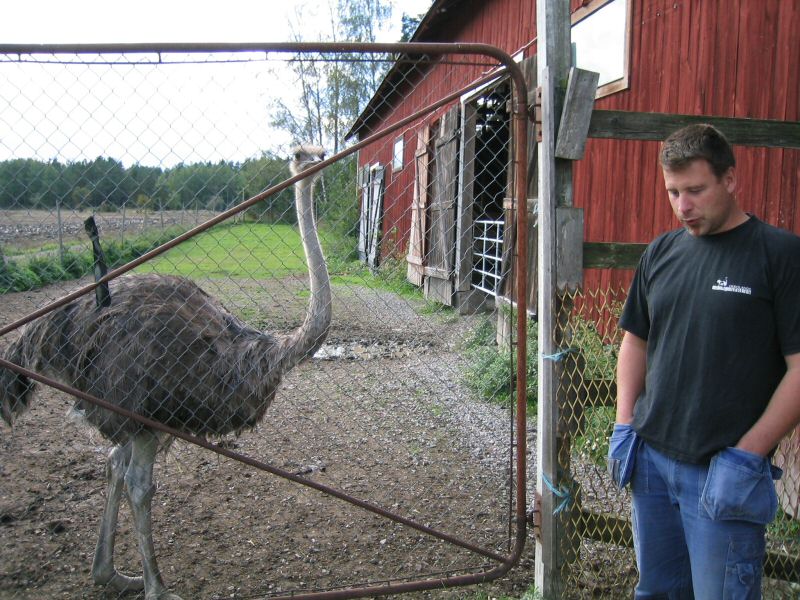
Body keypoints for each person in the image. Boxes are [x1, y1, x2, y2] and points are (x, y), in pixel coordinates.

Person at [608, 123, 800, 599]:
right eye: (673, 192)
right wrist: (624, 423)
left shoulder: (779, 254)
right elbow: (635, 341)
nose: (683, 206)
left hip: (723, 471)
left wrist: (749, 454)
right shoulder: (662, 251)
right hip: (651, 463)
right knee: (656, 591)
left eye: (695, 190)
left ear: (730, 179)